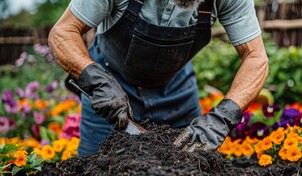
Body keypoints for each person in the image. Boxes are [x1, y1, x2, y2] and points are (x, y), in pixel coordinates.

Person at [48, 0, 269, 156]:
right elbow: (63, 32)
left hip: (177, 90)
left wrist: (222, 118)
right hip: (111, 91)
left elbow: (256, 57)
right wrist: (98, 84)